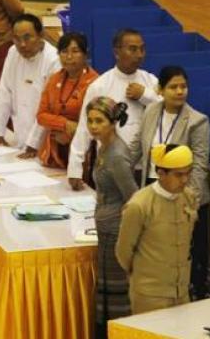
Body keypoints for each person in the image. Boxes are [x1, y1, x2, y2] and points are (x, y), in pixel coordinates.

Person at [129, 66, 210, 299]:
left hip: (184, 196)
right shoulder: (151, 111)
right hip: (153, 189)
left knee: (187, 252)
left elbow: (199, 166)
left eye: (183, 86)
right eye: (173, 87)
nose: (179, 91)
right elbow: (136, 147)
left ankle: (193, 294)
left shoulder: (197, 121)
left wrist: (189, 202)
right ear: (160, 90)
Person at [67, 29, 160, 191]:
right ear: (117, 52)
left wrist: (145, 95)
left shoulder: (150, 81)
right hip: (110, 166)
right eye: (132, 49)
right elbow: (84, 128)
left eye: (142, 49)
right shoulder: (100, 86)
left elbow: (168, 110)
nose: (139, 54)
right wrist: (75, 168)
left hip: (144, 167)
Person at [116, 144, 199, 314]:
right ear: (160, 173)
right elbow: (123, 252)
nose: (185, 180)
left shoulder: (188, 197)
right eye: (178, 175)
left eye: (188, 173)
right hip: (149, 295)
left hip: (182, 292)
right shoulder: (139, 205)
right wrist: (142, 275)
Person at [86, 96, 138, 339]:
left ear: (112, 122)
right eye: (90, 121)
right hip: (106, 228)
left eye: (99, 121)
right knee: (107, 292)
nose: (93, 126)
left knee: (118, 294)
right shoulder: (103, 146)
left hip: (117, 231)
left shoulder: (117, 155)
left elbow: (133, 198)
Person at [0, 14, 60, 157]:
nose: (22, 44)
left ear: (41, 35)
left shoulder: (53, 60)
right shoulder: (13, 52)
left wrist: (34, 144)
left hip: (45, 142)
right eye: (17, 38)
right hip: (20, 139)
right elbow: (4, 91)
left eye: (27, 38)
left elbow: (49, 108)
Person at [36, 32, 99, 168]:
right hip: (54, 149)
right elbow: (41, 116)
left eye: (75, 51)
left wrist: (71, 134)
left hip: (84, 150)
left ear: (86, 55)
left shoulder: (95, 83)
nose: (69, 57)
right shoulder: (54, 79)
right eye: (64, 52)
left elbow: (95, 122)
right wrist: (65, 124)